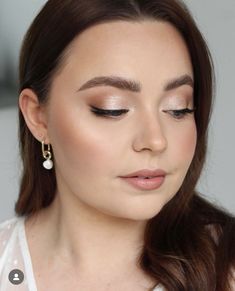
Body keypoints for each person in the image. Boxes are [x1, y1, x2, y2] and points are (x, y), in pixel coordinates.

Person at [0, 0, 234, 290]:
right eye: (112, 109)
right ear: (38, 117)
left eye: (178, 108)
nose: (155, 140)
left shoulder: (226, 268)